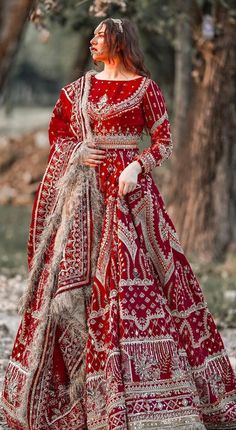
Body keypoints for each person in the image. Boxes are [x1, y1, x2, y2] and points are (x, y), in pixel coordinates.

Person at [1, 17, 236, 430]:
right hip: (84, 202)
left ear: (120, 41)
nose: (93, 40)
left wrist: (136, 165)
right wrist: (77, 152)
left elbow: (163, 141)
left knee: (141, 288)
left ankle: (151, 394)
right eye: (91, 34)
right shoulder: (79, 90)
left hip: (131, 201)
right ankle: (73, 398)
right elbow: (60, 134)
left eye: (100, 34)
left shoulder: (145, 89)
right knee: (72, 292)